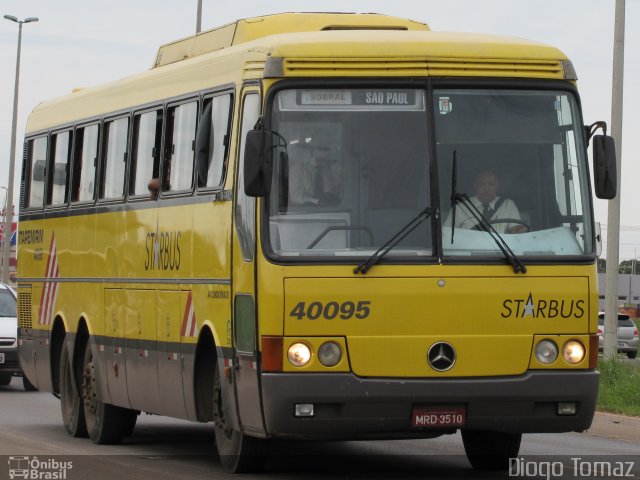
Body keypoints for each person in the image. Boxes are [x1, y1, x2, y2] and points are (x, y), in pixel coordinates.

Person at [444, 169, 526, 234]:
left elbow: (516, 230)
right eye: (482, 184)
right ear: (475, 186)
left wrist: (522, 231)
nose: (486, 188)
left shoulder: (508, 205)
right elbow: (445, 235)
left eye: (491, 184)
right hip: (468, 254)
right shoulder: (460, 208)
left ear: (497, 187)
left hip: (501, 254)